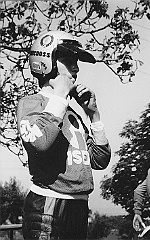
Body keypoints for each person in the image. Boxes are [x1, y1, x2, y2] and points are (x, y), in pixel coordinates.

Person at [17, 30, 111, 240]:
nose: (76, 68)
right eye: (68, 61)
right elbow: (41, 142)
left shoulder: (71, 113)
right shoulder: (31, 104)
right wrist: (59, 94)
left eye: (76, 61)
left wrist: (94, 116)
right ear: (46, 62)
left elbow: (99, 160)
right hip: (49, 205)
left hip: (78, 206)